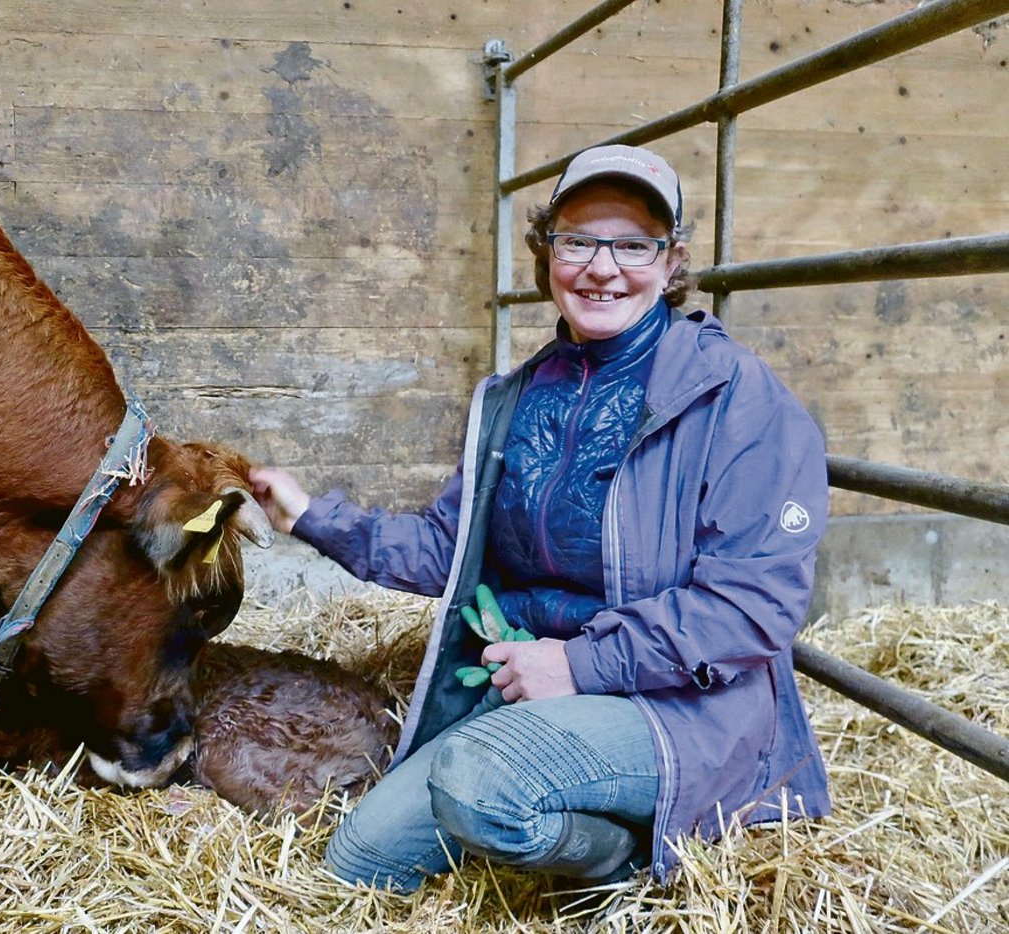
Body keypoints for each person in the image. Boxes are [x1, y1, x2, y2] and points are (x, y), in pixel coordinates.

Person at [250, 143, 831, 892]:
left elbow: (754, 605)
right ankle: (587, 824)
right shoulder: (518, 397)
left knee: (479, 782)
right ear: (545, 252)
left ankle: (618, 868)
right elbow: (445, 549)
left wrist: (577, 664)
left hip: (678, 710)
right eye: (578, 240)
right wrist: (310, 518)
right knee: (362, 861)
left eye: (632, 245)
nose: (601, 267)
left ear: (671, 260)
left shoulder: (732, 395)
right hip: (537, 696)